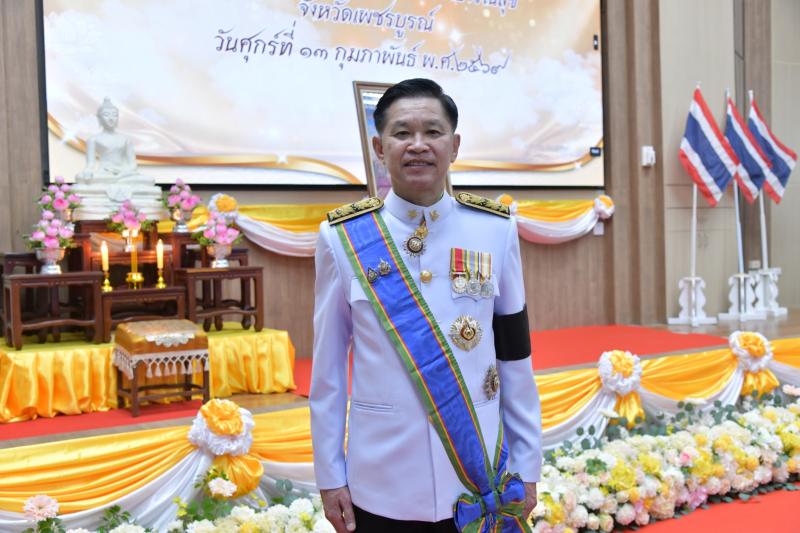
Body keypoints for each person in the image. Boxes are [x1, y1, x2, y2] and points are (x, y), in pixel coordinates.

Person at [310, 78, 541, 533]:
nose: (418, 145)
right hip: (382, 482)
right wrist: (330, 475)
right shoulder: (341, 238)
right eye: (402, 133)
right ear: (380, 147)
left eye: (432, 132)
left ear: (454, 146)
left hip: (477, 475)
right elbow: (328, 370)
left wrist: (527, 462)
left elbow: (515, 356)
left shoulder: (495, 229)